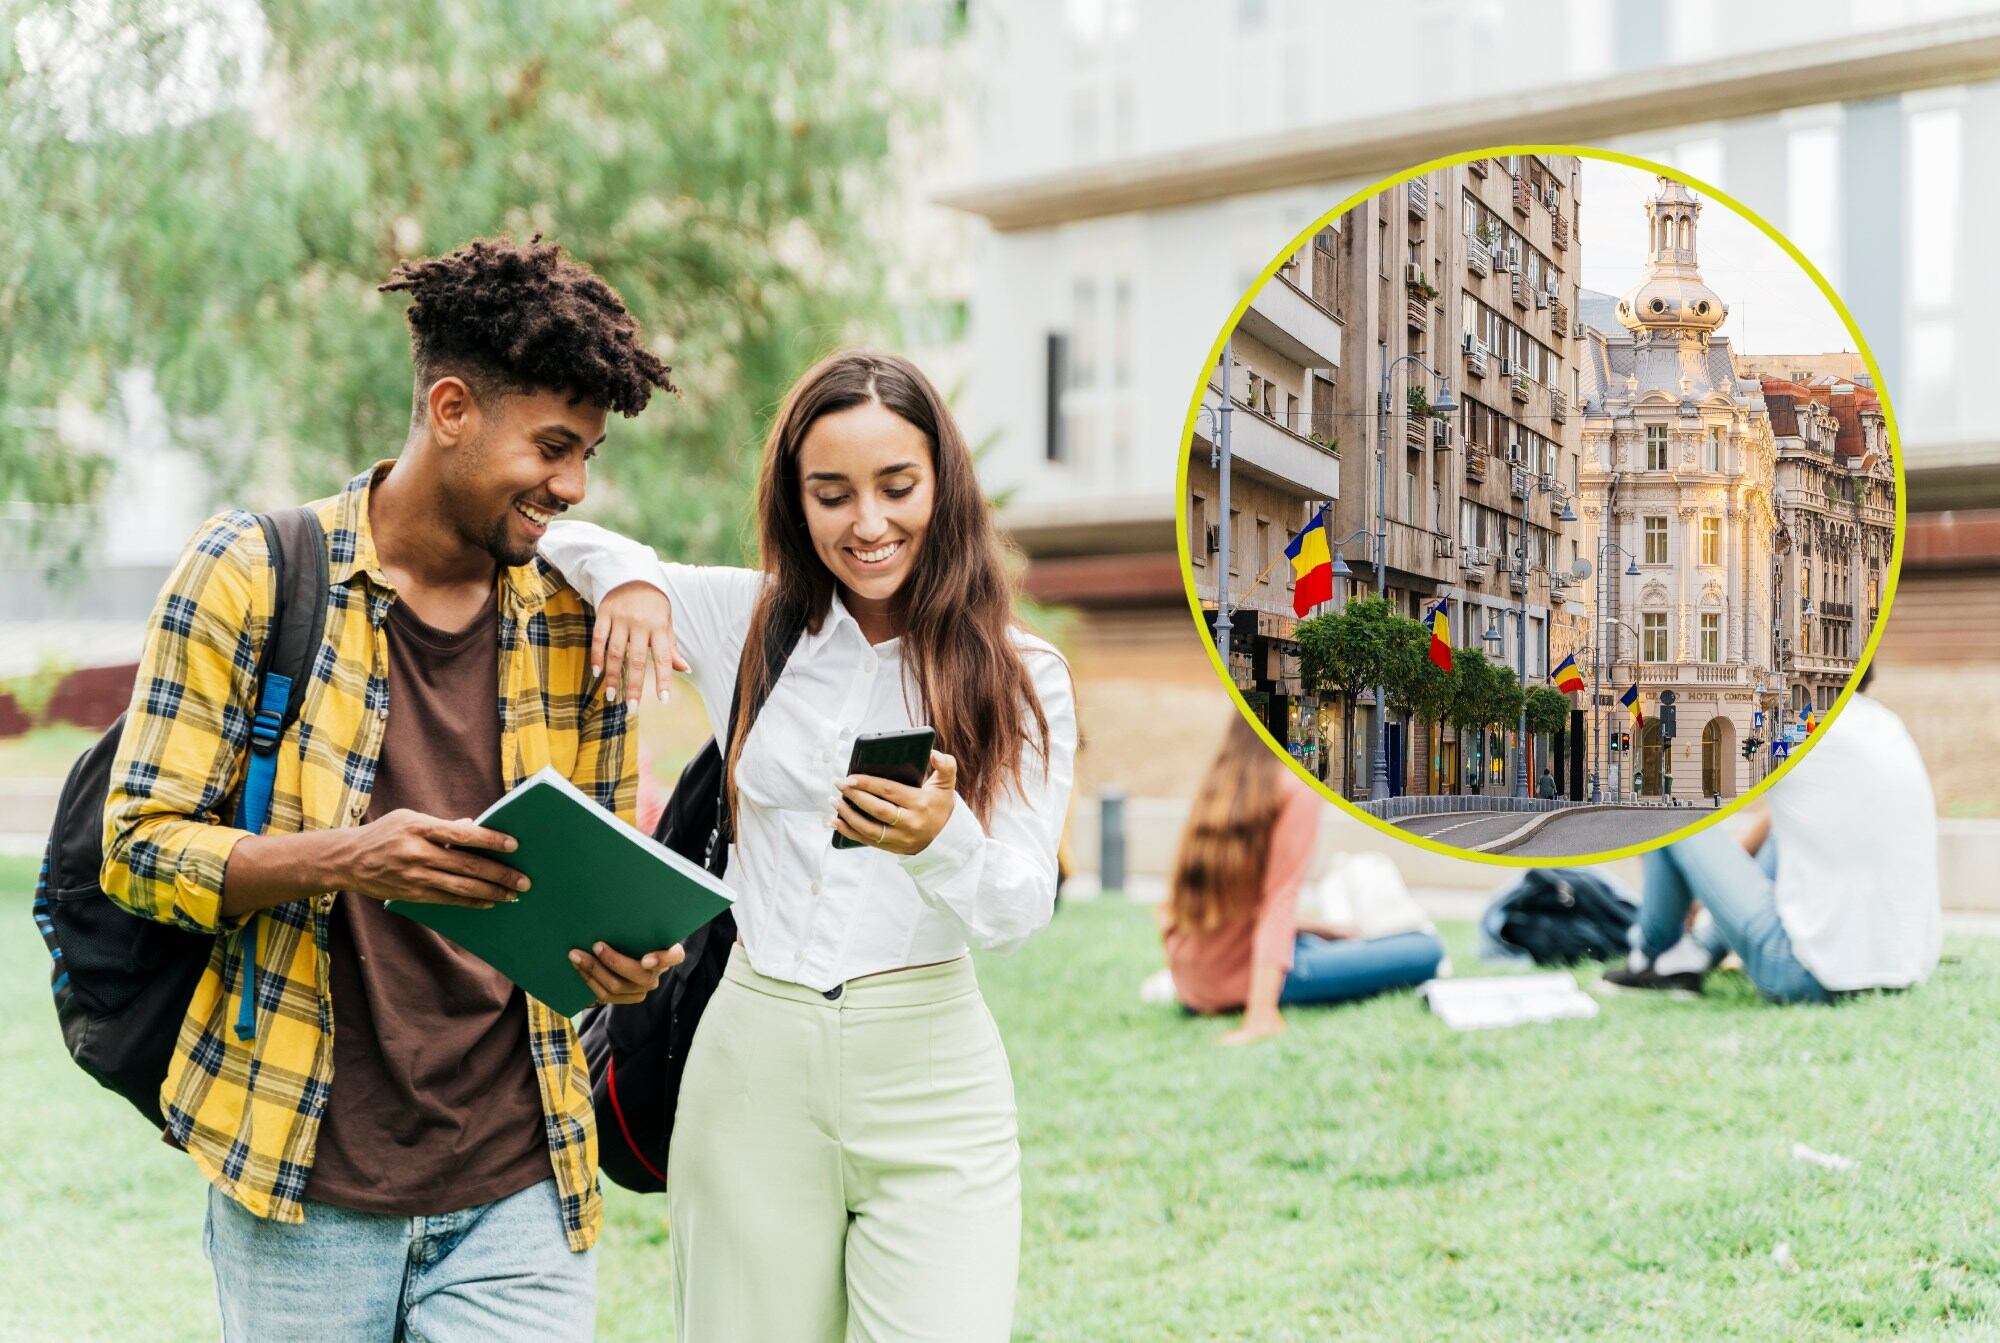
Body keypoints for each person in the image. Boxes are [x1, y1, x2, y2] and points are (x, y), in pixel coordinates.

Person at [100, 237, 684, 1340]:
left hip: (521, 1181)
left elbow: (599, 878)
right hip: (302, 1180)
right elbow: (134, 849)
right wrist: (347, 856)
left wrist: (626, 959)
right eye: (554, 446)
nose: (573, 485)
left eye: (589, 454)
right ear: (451, 408)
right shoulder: (250, 572)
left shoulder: (580, 616)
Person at [539, 350, 1077, 1343]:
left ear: (943, 487)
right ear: (796, 500)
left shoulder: (1021, 672)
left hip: (932, 1067)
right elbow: (557, 538)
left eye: (895, 487)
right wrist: (634, 585)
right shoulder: (748, 619)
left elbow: (1016, 908)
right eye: (831, 493)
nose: (866, 523)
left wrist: (937, 838)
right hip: (753, 1055)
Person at [1600, 664, 1940, 1002]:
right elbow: (1782, 821)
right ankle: (1694, 954)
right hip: (1904, 968)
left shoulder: (1795, 725)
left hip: (1805, 973)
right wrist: (1712, 882)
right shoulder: (1882, 725)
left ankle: (1652, 954)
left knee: (1664, 810)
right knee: (1794, 831)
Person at [1157, 714, 1446, 1045]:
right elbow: (1277, 901)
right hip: (1242, 976)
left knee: (1328, 941)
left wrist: (1323, 929)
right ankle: (1262, 994)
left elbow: (1201, 906)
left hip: (1191, 980)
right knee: (1425, 947)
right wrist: (1260, 1015)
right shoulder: (1295, 790)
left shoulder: (1219, 787)